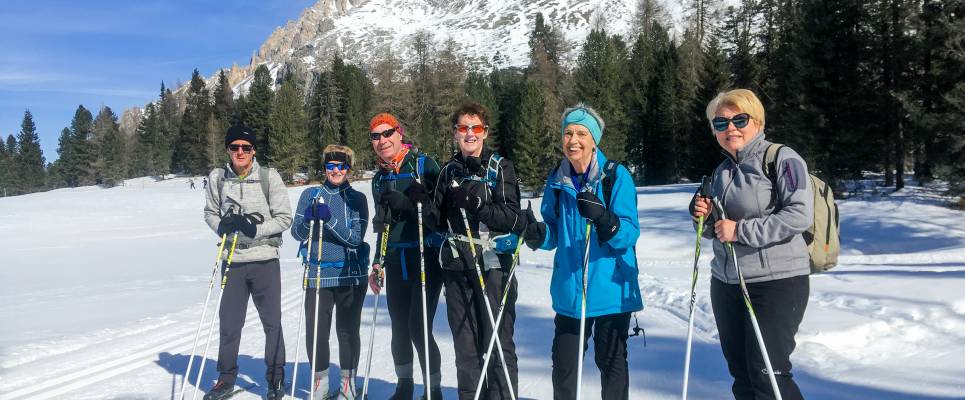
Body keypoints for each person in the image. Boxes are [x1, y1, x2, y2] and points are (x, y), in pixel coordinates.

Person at [689, 89, 812, 400]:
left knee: (768, 374)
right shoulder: (721, 172)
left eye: (739, 119)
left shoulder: (781, 158)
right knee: (742, 373)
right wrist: (700, 216)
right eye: (721, 123)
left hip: (776, 282)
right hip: (728, 282)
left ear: (756, 121)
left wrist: (740, 231)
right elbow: (716, 231)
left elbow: (799, 216)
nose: (730, 128)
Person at [522, 103, 643, 400]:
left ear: (594, 140)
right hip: (569, 293)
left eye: (581, 133)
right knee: (564, 366)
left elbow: (629, 233)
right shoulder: (557, 178)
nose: (573, 140)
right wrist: (538, 234)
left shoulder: (615, 176)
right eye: (567, 133)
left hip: (610, 291)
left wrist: (604, 219)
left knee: (610, 362)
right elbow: (553, 231)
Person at [422, 102, 525, 399]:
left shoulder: (499, 167)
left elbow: (512, 217)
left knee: (496, 343)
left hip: (493, 266)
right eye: (463, 128)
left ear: (485, 132)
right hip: (457, 268)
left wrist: (478, 205)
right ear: (455, 133)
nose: (470, 134)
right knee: (465, 346)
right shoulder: (448, 170)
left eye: (476, 128)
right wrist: (419, 203)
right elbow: (437, 220)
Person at [202, 124, 293, 400]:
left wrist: (256, 229)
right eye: (234, 147)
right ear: (228, 149)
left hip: (264, 259)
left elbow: (284, 218)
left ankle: (276, 378)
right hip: (232, 259)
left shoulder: (268, 177)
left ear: (254, 151)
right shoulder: (218, 178)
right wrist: (222, 226)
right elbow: (209, 212)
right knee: (229, 323)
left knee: (272, 322)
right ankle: (226, 378)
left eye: (246, 147)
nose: (240, 152)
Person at [367, 113, 445, 399]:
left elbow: (440, 214)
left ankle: (433, 390)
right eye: (375, 136)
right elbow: (382, 225)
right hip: (395, 260)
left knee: (418, 326)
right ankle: (404, 386)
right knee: (399, 327)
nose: (382, 141)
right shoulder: (379, 179)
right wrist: (378, 261)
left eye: (387, 133)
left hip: (425, 256)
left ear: (399, 134)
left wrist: (412, 206)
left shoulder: (424, 165)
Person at [291, 145, 370, 399]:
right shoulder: (310, 195)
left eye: (342, 166)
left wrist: (329, 221)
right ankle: (320, 383)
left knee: (347, 330)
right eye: (331, 166)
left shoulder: (357, 199)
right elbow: (296, 233)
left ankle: (348, 384)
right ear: (324, 167)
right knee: (316, 332)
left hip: (349, 274)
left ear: (349, 168)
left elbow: (356, 239)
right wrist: (309, 220)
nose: (336, 171)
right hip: (317, 274)